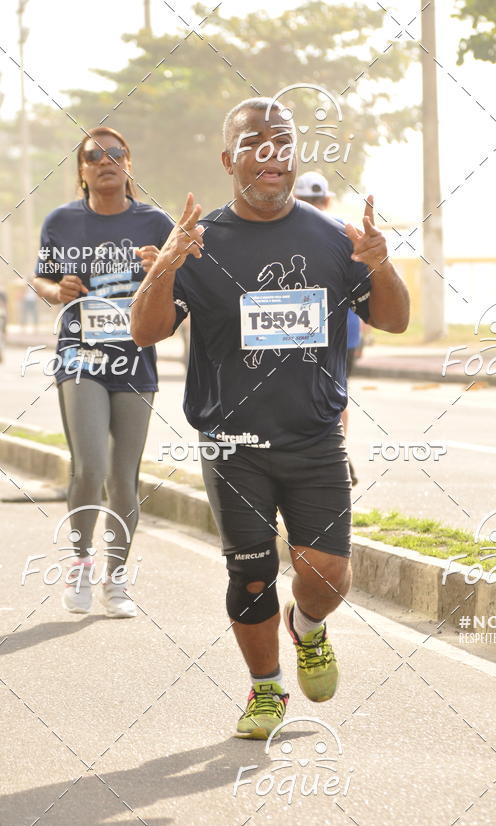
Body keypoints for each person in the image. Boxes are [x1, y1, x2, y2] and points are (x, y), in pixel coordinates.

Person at [131, 98, 410, 739]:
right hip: (232, 443)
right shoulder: (201, 244)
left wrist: (379, 261)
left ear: (292, 156)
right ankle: (266, 690)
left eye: (280, 141)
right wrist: (166, 269)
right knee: (251, 571)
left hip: (314, 438)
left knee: (327, 575)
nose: (269, 152)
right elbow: (145, 334)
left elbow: (392, 319)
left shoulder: (333, 238)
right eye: (253, 141)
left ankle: (306, 627)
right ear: (230, 159)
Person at [33, 126, 174, 618]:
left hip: (135, 359)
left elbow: (183, 291)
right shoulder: (62, 221)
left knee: (122, 478)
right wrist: (56, 292)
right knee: (90, 468)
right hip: (80, 356)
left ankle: (116, 581)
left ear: (129, 164)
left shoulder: (156, 222)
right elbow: (42, 278)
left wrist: (163, 269)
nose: (106, 160)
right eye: (95, 155)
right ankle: (78, 565)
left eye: (116, 153)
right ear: (82, 170)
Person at [294, 171, 362, 484]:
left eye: (315, 201)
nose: (314, 206)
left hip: (336, 332)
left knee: (331, 393)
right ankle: (335, 451)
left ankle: (335, 452)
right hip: (313, 331)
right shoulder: (338, 233)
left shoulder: (341, 235)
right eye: (309, 201)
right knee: (330, 391)